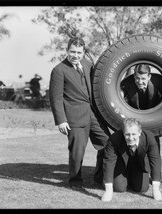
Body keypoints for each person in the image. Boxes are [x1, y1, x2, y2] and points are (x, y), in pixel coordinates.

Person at [49, 37, 110, 189]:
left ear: (83, 53)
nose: (75, 55)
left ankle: (99, 177)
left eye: (79, 52)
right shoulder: (58, 70)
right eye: (72, 52)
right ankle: (75, 181)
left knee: (107, 142)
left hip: (93, 115)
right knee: (77, 152)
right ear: (67, 51)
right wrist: (61, 120)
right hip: (74, 117)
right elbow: (55, 98)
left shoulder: (88, 65)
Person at [101, 118, 162, 201]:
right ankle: (126, 180)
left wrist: (156, 189)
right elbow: (108, 161)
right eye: (127, 134)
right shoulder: (114, 138)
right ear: (123, 133)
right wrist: (108, 190)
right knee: (119, 188)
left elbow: (155, 160)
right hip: (121, 166)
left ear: (139, 133)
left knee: (142, 189)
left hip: (139, 166)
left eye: (134, 134)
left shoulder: (149, 137)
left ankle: (132, 179)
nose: (130, 138)